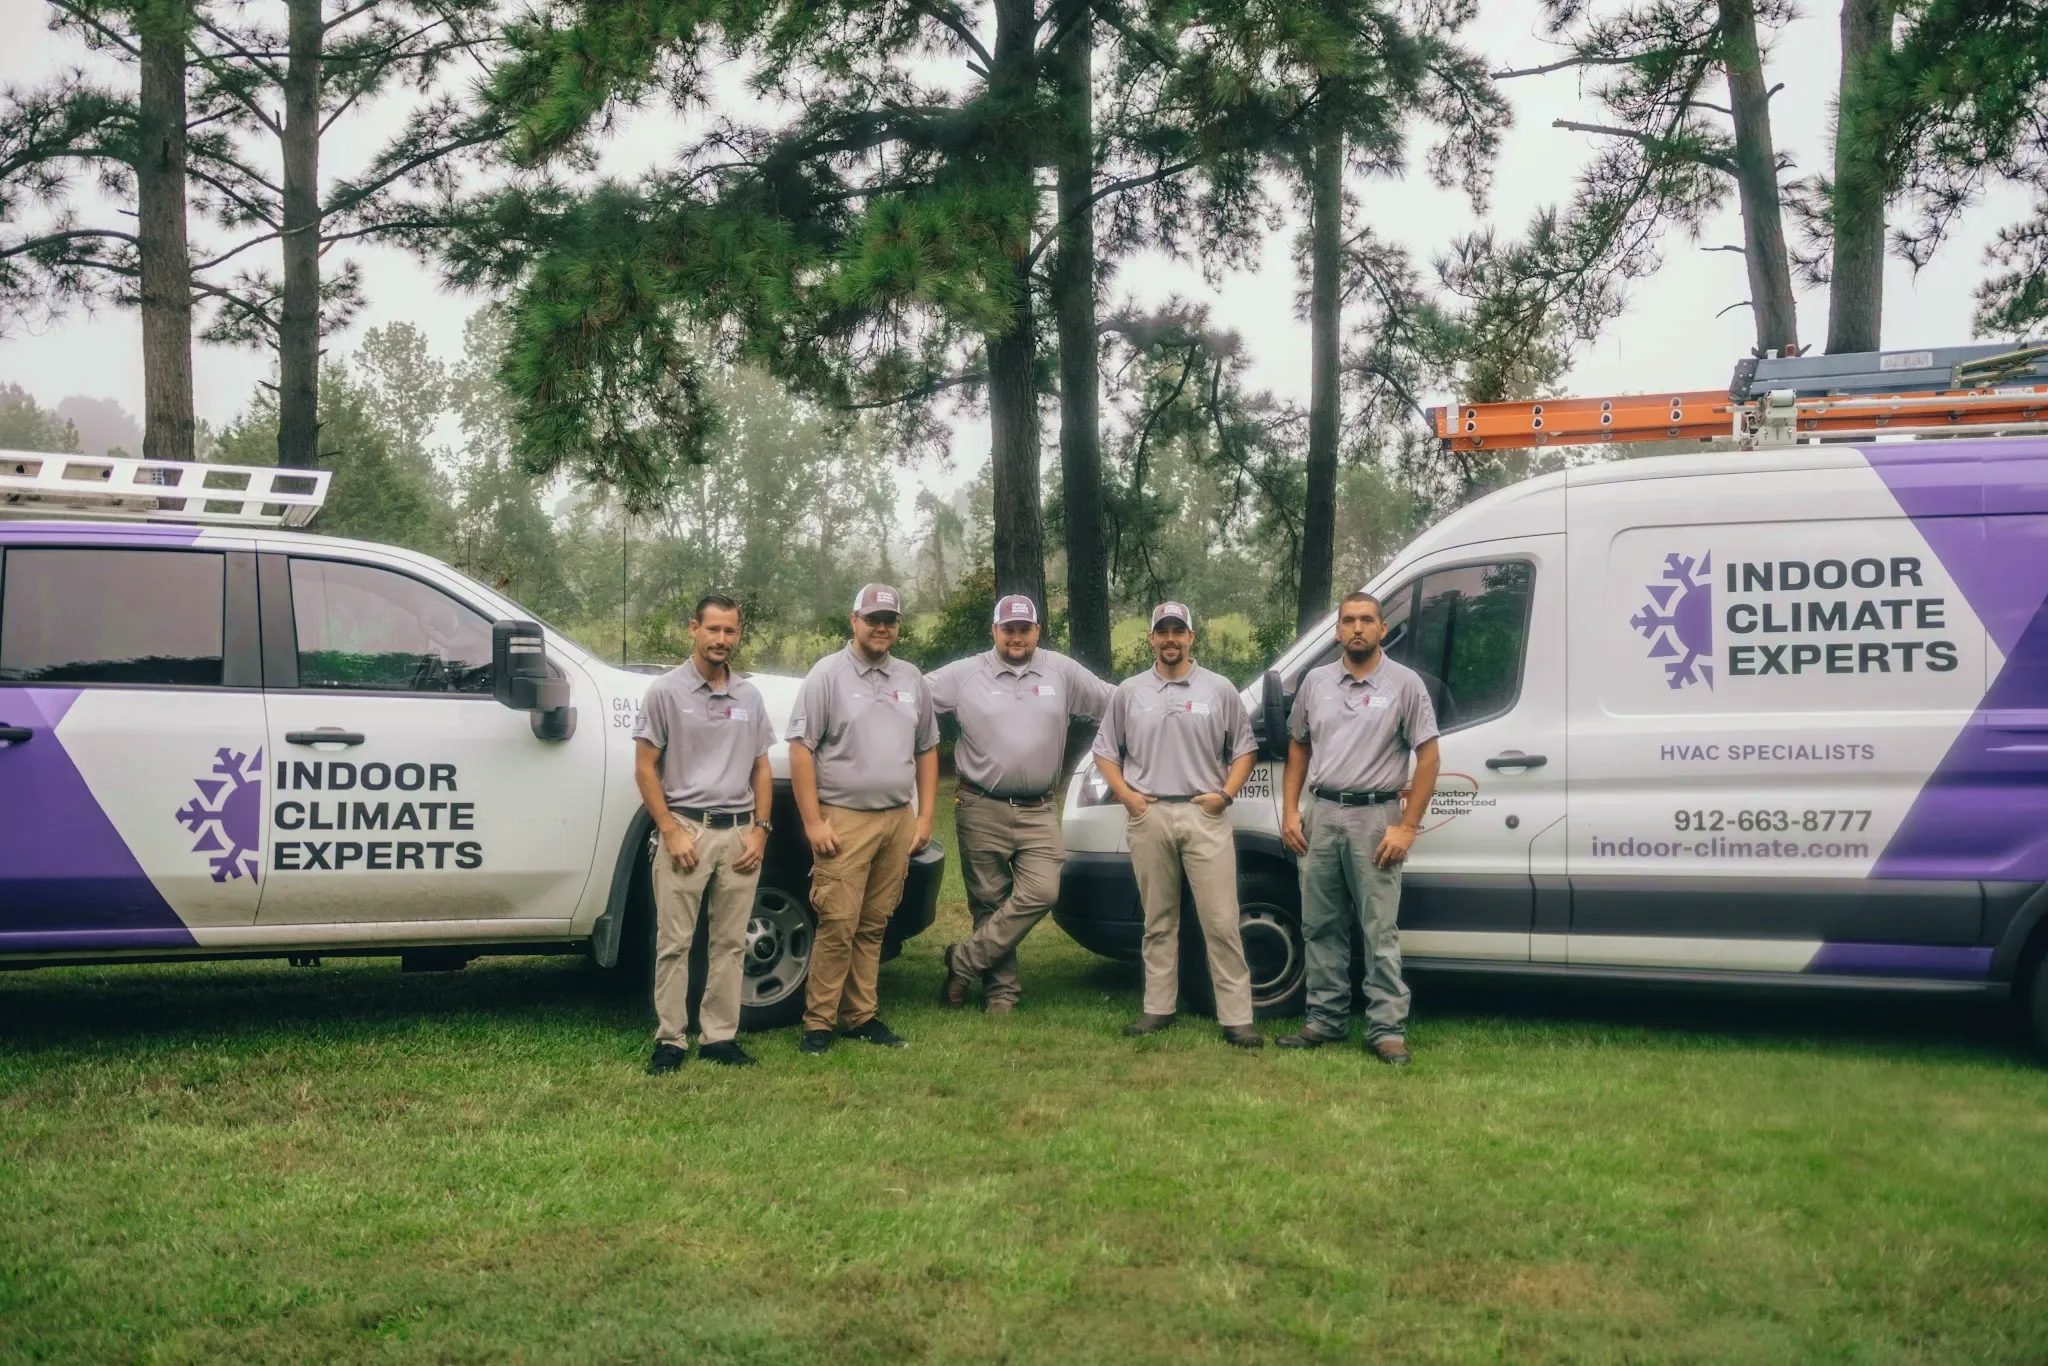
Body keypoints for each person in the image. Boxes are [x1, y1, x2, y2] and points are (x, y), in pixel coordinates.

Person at [1277, 590, 1441, 1065]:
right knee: (1320, 924)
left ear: (1382, 628)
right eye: (1348, 620)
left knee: (1378, 928)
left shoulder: (1405, 684)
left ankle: (1386, 1029)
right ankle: (1325, 1020)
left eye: (1367, 620)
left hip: (1376, 817)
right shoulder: (1316, 682)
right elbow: (1298, 746)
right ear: (1337, 630)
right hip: (1322, 814)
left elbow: (1429, 757)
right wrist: (1290, 811)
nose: (1357, 628)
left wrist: (1406, 828)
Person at [930, 594, 1113, 1014]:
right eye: (1008, 629)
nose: (1017, 637)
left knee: (1043, 891)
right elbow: (910, 697)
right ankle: (1001, 994)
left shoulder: (1061, 671)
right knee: (989, 901)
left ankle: (963, 961)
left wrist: (1160, 702)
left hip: (1038, 809)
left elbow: (1113, 702)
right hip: (980, 805)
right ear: (994, 631)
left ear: (1037, 630)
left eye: (1024, 628)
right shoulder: (965, 674)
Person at [1091, 602, 1263, 1048]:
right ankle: (1158, 1008)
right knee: (1158, 920)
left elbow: (1245, 750)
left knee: (1221, 920)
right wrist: (1127, 796)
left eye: (1178, 631)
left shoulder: (1219, 689)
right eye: (1163, 631)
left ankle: (1237, 1017)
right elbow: (1105, 751)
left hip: (1204, 814)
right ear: (1151, 638)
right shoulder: (1129, 692)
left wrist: (1225, 795)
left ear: (1191, 637)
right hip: (1149, 815)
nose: (1170, 639)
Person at [786, 583, 939, 1055]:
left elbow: (927, 748)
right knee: (838, 922)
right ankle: (818, 1023)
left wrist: (925, 817)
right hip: (844, 818)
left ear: (898, 626)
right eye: (873, 619)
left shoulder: (911, 678)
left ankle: (861, 1016)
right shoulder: (827, 675)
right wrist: (813, 822)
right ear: (854, 620)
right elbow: (800, 748)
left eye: (889, 620)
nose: (881, 627)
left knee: (874, 924)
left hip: (897, 819)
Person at [633, 594, 775, 1073]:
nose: (721, 639)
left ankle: (719, 1037)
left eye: (730, 631)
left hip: (738, 834)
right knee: (674, 943)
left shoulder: (749, 697)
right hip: (686, 830)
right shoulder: (665, 692)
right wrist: (669, 830)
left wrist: (761, 831)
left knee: (731, 943)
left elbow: (761, 768)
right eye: (713, 629)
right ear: (694, 628)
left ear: (738, 635)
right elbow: (645, 768)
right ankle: (670, 1039)